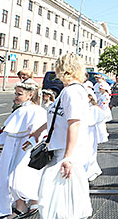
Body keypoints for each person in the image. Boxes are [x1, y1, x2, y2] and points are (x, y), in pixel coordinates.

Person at [29, 53, 92, 219]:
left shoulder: (73, 92)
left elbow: (74, 123)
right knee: (60, 202)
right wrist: (42, 132)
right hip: (60, 150)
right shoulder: (68, 91)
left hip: (66, 153)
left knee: (60, 203)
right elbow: (60, 117)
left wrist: (68, 158)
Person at [0, 80, 46, 219]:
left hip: (25, 151)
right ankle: (22, 205)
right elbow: (12, 126)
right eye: (15, 93)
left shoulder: (36, 110)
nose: (15, 96)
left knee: (18, 177)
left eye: (19, 94)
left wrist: (30, 142)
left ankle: (26, 204)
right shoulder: (21, 110)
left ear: (30, 95)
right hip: (14, 149)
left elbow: (39, 131)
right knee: (11, 178)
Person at [84, 88, 109, 182]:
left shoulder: (94, 108)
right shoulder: (82, 107)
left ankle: (91, 170)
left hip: (90, 132)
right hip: (83, 132)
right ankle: (88, 170)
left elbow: (102, 117)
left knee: (90, 151)